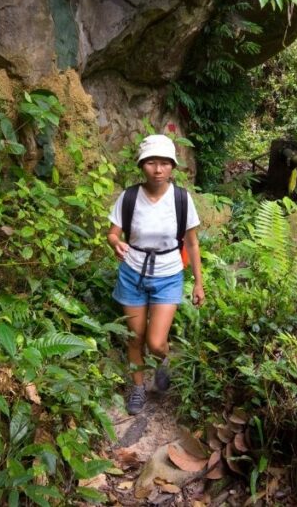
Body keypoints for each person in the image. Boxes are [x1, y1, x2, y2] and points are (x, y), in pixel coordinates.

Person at [107, 134, 204, 415]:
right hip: (132, 274)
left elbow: (192, 242)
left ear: (173, 167)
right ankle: (137, 388)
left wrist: (199, 283)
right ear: (141, 165)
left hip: (169, 274)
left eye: (164, 163)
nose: (158, 169)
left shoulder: (181, 199)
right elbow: (112, 233)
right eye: (151, 162)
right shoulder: (129, 197)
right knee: (134, 337)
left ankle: (164, 359)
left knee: (155, 342)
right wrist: (116, 243)